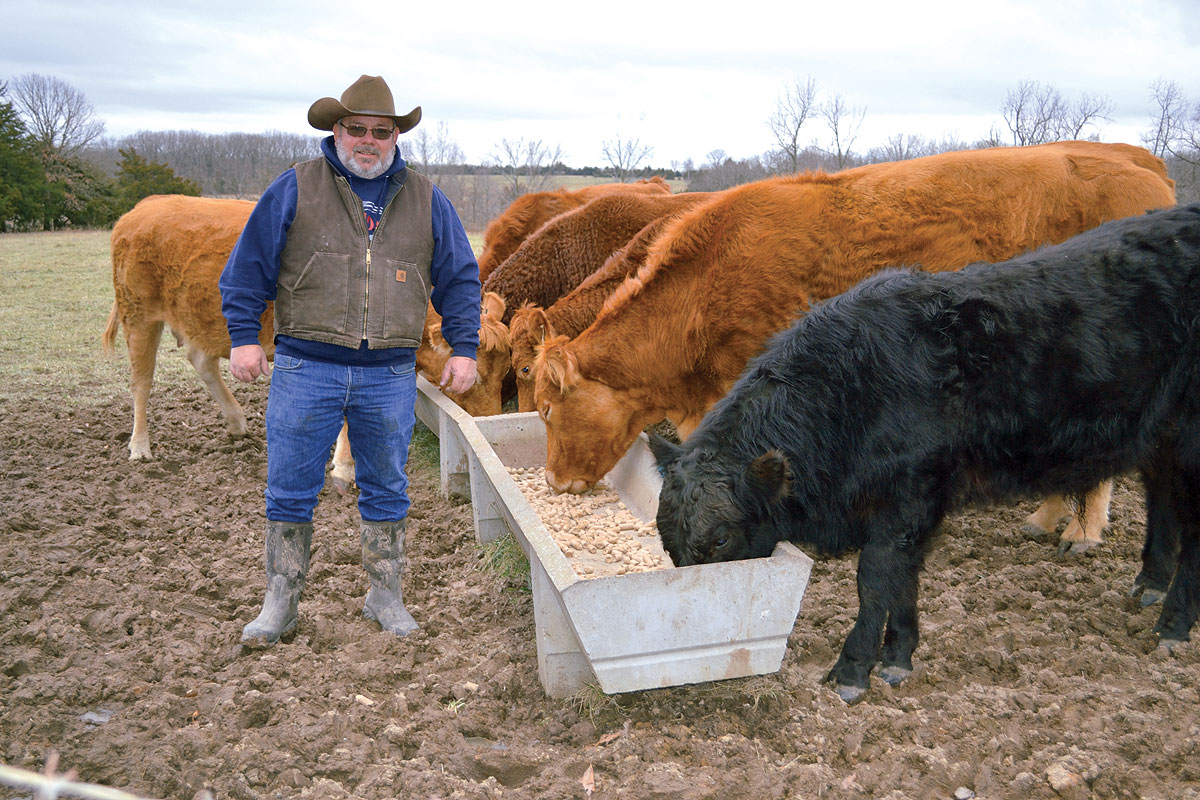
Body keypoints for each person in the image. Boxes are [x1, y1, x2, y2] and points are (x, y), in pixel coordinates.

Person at [219, 75, 481, 648]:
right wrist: (243, 337)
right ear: (336, 131)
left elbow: (461, 277)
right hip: (304, 366)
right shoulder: (296, 186)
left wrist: (464, 348)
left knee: (387, 486)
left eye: (380, 131)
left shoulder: (426, 197)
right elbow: (247, 268)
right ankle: (280, 603)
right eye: (356, 128)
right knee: (290, 487)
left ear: (394, 137)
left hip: (387, 372)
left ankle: (385, 595)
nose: (368, 140)